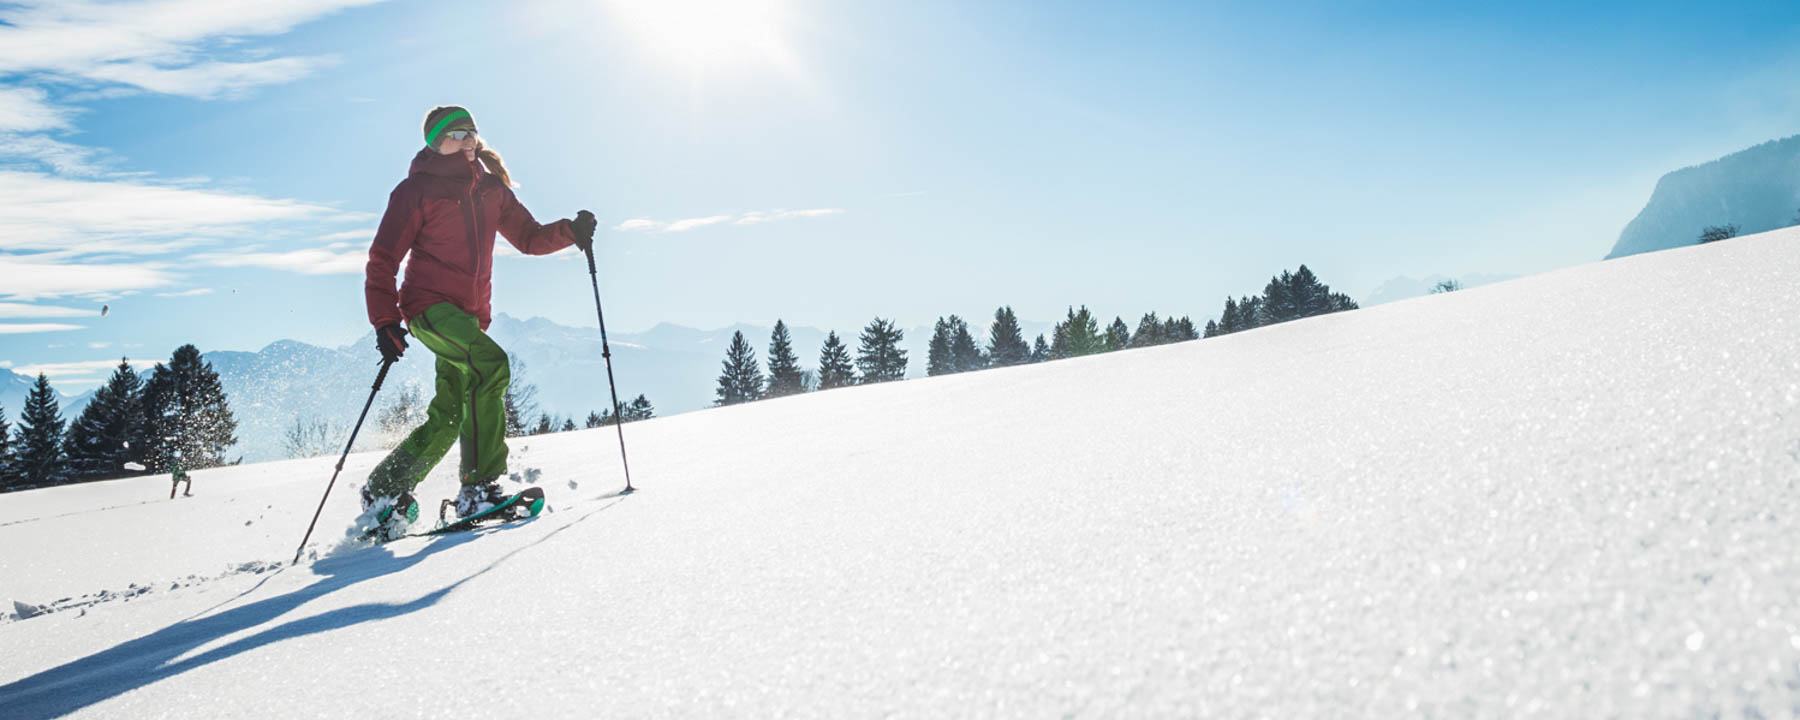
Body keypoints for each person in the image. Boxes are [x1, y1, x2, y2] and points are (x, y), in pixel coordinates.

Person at [358, 105, 597, 539]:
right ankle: (480, 489)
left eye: (472, 132)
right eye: (456, 134)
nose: (467, 140)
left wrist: (570, 231)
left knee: (450, 415)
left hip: (468, 319)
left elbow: (528, 238)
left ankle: (385, 490)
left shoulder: (491, 191)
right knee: (492, 366)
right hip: (428, 308)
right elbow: (383, 259)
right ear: (436, 144)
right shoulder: (416, 191)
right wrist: (384, 320)